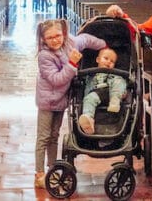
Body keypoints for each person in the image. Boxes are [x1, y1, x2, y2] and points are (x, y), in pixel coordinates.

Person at [35, 19, 106, 188]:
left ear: (64, 34)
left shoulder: (71, 42)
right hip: (47, 101)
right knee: (43, 138)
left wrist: (104, 46)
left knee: (54, 136)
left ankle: (52, 169)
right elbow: (56, 80)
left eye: (58, 35)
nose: (55, 40)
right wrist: (72, 63)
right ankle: (39, 174)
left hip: (60, 100)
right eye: (50, 37)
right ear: (43, 39)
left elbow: (87, 39)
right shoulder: (44, 56)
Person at [76, 47, 127, 135]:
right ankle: (88, 119)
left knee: (119, 80)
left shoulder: (115, 74)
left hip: (111, 93)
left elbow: (122, 84)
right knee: (89, 99)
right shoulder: (90, 74)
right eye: (106, 58)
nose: (108, 62)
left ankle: (115, 100)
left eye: (112, 61)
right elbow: (81, 79)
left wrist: (123, 92)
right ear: (98, 60)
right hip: (95, 93)